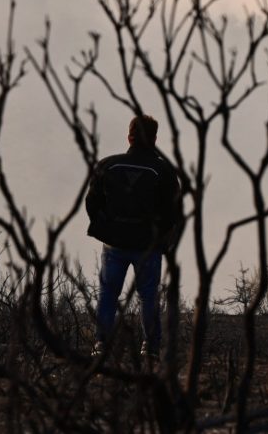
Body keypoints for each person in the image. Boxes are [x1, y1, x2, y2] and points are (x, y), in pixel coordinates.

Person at [86, 115, 184, 359]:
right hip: (148, 245)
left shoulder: (107, 165)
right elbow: (174, 212)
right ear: (154, 139)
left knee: (108, 294)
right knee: (148, 296)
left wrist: (104, 227)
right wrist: (164, 238)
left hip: (114, 243)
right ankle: (150, 348)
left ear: (129, 137)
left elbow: (91, 202)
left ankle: (101, 345)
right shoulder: (165, 171)